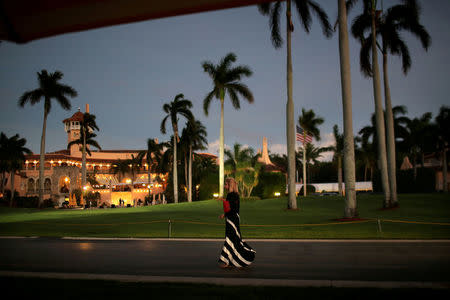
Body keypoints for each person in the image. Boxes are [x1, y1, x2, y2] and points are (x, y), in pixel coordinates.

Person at [217, 177, 256, 268]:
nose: (224, 186)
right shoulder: (236, 195)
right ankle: (230, 260)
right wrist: (224, 213)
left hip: (231, 220)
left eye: (226, 184)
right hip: (235, 218)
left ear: (229, 185)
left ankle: (227, 261)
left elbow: (231, 209)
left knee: (231, 238)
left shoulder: (230, 195)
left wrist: (225, 212)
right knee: (234, 238)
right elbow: (233, 209)